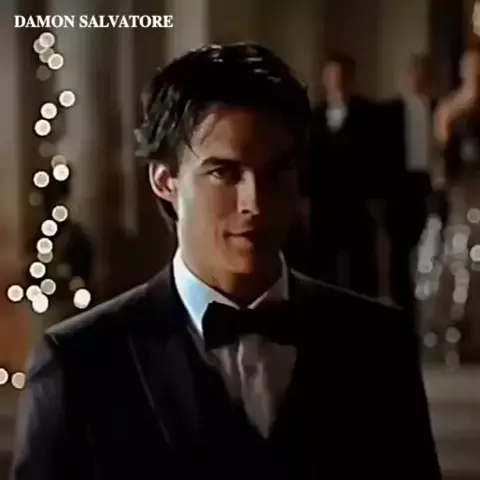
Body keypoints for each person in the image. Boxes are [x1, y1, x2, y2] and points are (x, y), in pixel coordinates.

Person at [11, 42, 440, 480]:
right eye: (225, 173)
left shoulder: (379, 344)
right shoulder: (79, 362)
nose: (255, 203)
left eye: (276, 173)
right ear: (166, 181)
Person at [306, 53, 382, 296]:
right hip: (324, 205)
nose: (336, 82)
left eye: (341, 76)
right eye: (331, 76)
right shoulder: (314, 117)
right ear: (324, 79)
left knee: (361, 268)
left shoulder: (368, 114)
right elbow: (307, 161)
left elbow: (377, 159)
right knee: (324, 266)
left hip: (357, 203)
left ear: (351, 79)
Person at [430, 47, 480, 362]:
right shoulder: (450, 109)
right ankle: (458, 328)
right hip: (462, 193)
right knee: (461, 260)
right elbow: (442, 161)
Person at [382, 54, 437, 319]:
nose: (417, 79)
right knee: (400, 251)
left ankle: (430, 305)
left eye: (422, 74)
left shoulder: (438, 106)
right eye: (413, 74)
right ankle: (401, 309)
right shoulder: (390, 111)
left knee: (432, 243)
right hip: (400, 187)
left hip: (430, 184)